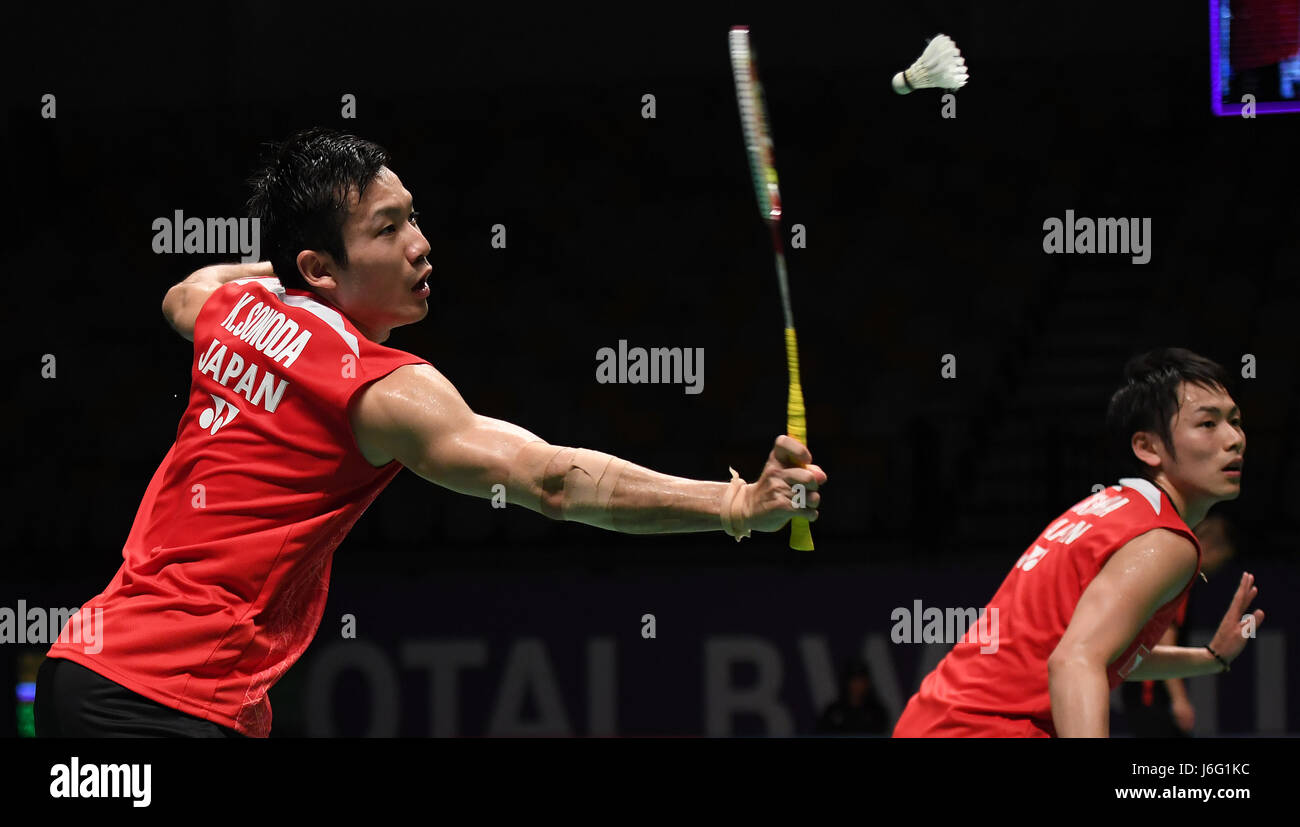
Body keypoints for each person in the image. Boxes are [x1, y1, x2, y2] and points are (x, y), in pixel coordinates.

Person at [35, 128, 826, 738]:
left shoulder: (232, 314)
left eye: (413, 215)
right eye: (388, 229)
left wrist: (287, 277)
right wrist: (735, 505)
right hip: (158, 702)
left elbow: (188, 286)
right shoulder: (381, 388)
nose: (421, 243)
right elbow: (551, 480)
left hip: (88, 674)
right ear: (320, 265)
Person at [893, 348, 1264, 738]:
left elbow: (1095, 652)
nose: (1234, 439)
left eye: (1235, 421)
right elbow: (1074, 660)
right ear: (1148, 448)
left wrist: (1209, 658)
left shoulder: (1105, 509)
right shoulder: (1164, 540)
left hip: (935, 720)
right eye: (1208, 424)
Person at [1120, 512, 1237, 737]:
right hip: (1152, 692)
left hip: (1142, 687)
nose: (1218, 568)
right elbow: (1165, 639)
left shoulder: (1169, 572)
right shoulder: (1180, 577)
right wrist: (1180, 700)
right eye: (1222, 559)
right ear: (1210, 547)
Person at [816, 659, 888, 735]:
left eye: (860, 681)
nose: (857, 685)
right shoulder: (833, 711)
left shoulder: (877, 712)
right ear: (846, 682)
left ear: (867, 683)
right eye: (854, 680)